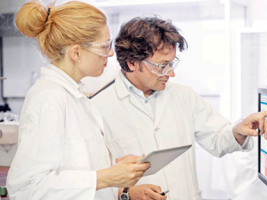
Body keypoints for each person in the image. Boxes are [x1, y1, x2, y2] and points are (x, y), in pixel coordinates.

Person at [91, 16, 267, 199]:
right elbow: (89, 181)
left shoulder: (184, 96)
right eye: (162, 65)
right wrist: (125, 194)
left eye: (172, 63)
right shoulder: (95, 107)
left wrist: (239, 130)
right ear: (132, 63)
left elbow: (218, 139)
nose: (171, 73)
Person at [6, 1, 159, 200]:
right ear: (76, 53)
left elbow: (74, 168)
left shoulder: (75, 95)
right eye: (105, 46)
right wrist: (105, 177)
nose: (111, 53)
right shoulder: (49, 99)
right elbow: (27, 188)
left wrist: (114, 169)